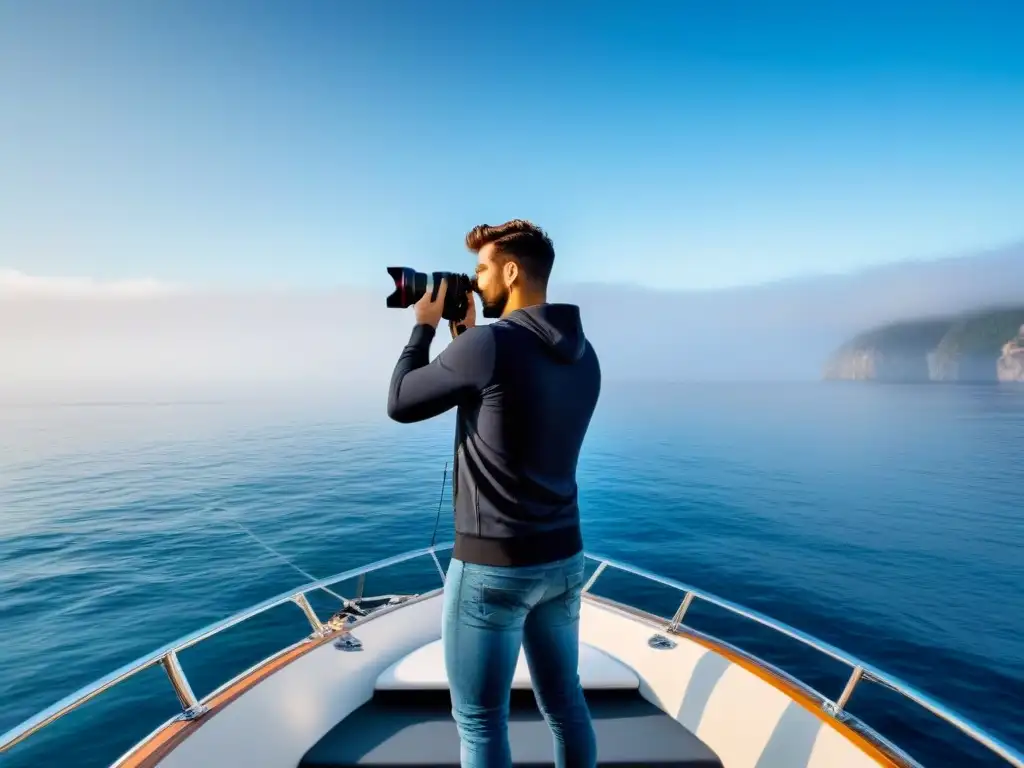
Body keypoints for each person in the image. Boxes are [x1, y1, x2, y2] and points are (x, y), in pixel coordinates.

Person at [387, 219, 601, 768]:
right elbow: (505, 407)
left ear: (511, 271)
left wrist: (424, 328)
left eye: (482, 269)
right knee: (565, 703)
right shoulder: (584, 354)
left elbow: (402, 400)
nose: (475, 282)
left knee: (481, 723)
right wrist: (469, 337)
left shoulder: (490, 345)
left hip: (493, 568)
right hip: (564, 559)